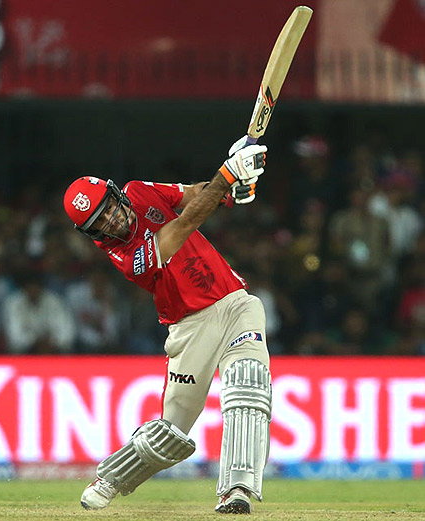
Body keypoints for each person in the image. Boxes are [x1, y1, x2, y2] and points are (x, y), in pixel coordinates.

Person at [62, 138, 271, 514]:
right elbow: (185, 224)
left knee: (248, 384)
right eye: (99, 223)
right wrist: (226, 176)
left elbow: (193, 196)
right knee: (171, 433)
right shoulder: (125, 256)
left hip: (236, 305)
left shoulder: (139, 191)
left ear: (117, 195)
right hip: (190, 328)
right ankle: (110, 480)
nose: (111, 221)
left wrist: (232, 189)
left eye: (109, 210)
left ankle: (236, 490)